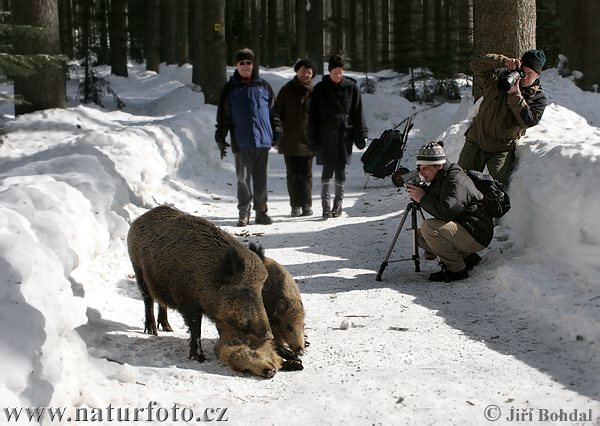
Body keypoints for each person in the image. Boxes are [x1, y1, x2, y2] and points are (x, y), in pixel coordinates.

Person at [405, 142, 494, 283]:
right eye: (419, 168)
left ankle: (456, 270)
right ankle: (467, 258)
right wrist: (421, 194)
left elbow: (446, 211)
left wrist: (422, 198)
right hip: (466, 228)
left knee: (429, 228)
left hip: (476, 233)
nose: (421, 173)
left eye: (425, 169)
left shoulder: (454, 180)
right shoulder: (441, 176)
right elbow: (439, 199)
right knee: (420, 236)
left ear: (439, 165)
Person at [458, 49, 548, 185]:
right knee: (461, 182)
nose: (525, 77)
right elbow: (476, 65)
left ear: (537, 75)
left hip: (502, 147)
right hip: (477, 139)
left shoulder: (537, 98)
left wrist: (515, 94)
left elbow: (528, 121)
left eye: (530, 74)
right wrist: (502, 61)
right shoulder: (499, 79)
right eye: (523, 72)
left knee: (498, 189)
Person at [215, 48, 278, 227]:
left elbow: (274, 113)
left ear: (253, 64)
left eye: (248, 62)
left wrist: (277, 132)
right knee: (243, 178)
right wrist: (220, 136)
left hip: (263, 140)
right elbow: (223, 116)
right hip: (241, 141)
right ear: (236, 65)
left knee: (261, 178)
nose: (245, 66)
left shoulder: (263, 86)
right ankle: (244, 211)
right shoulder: (230, 88)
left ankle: (261, 211)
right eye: (241, 63)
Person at [273, 58, 318, 217]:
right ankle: (295, 206)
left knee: (306, 174)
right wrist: (277, 134)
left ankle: (306, 205)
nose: (306, 74)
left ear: (312, 74)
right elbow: (276, 113)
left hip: (308, 140)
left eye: (309, 72)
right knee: (292, 174)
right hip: (289, 140)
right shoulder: (286, 91)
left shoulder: (314, 92)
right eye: (303, 71)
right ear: (297, 72)